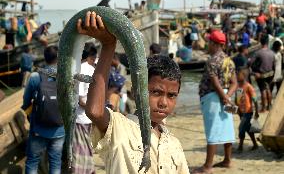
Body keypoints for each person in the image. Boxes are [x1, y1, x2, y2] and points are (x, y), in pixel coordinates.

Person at [77, 11, 190, 174]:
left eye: (171, 95)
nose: (164, 103)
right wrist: (108, 45)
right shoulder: (118, 128)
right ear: (136, 91)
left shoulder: (174, 144)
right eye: (156, 92)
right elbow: (94, 111)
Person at [195, 30, 237, 174]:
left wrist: (223, 98)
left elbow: (214, 82)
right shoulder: (229, 60)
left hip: (214, 98)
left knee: (212, 130)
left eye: (209, 42)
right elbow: (234, 83)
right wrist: (228, 97)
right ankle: (227, 160)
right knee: (227, 129)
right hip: (225, 96)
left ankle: (207, 166)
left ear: (214, 44)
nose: (208, 45)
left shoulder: (212, 61)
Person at [22, 45, 65, 174]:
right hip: (59, 129)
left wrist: (29, 113)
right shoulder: (66, 76)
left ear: (45, 59)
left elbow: (26, 100)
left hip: (39, 128)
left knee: (32, 161)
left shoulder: (36, 76)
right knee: (55, 161)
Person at [71, 43, 97, 174]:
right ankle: (91, 170)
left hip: (80, 117)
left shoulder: (79, 70)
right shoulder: (93, 70)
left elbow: (80, 100)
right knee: (88, 147)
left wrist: (88, 107)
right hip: (90, 117)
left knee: (79, 150)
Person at [235, 68, 259, 152]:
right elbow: (237, 98)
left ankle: (240, 147)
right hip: (241, 111)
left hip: (248, 112)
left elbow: (255, 100)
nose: (236, 76)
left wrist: (256, 112)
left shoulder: (248, 86)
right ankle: (255, 144)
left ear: (244, 76)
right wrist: (236, 109)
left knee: (241, 128)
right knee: (248, 128)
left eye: (238, 75)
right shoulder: (238, 86)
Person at [251, 34, 275, 112]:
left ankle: (264, 108)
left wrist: (254, 72)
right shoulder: (272, 52)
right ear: (268, 42)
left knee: (263, 90)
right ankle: (269, 106)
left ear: (261, 42)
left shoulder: (258, 52)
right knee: (268, 89)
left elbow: (251, 62)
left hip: (262, 74)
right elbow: (273, 64)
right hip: (270, 73)